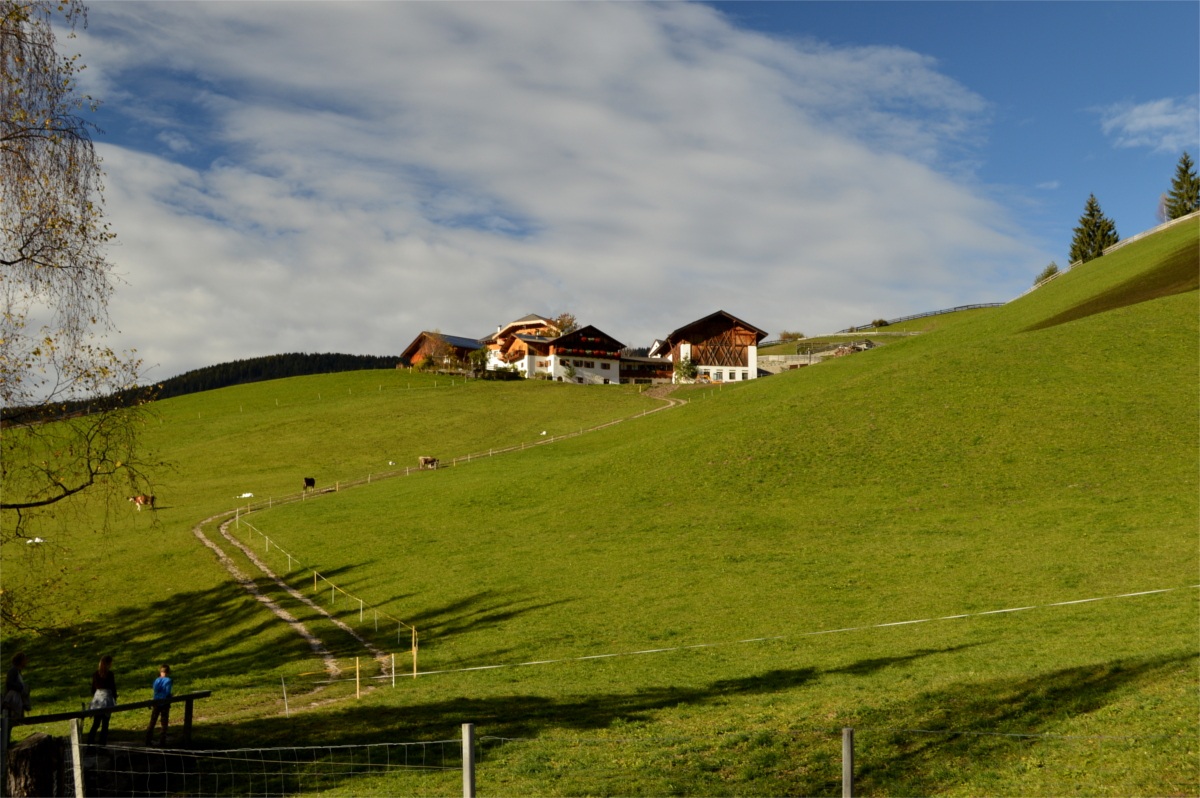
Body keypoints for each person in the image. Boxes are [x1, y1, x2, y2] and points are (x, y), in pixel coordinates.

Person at [87, 655, 117, 746]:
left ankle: (90, 744)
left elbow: (93, 688)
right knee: (105, 724)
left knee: (96, 723)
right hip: (106, 699)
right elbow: (112, 687)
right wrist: (114, 698)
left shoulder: (96, 674)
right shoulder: (110, 674)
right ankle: (102, 745)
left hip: (98, 699)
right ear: (108, 663)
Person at [145, 664, 172, 746]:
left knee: (153, 721)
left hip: (156, 702)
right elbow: (167, 692)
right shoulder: (168, 680)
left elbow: (155, 690)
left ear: (160, 672)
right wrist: (170, 696)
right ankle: (162, 740)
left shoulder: (156, 680)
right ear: (168, 672)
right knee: (164, 722)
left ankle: (148, 739)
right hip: (164, 702)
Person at [3, 652, 31, 723]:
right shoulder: (13, 671)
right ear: (20, 661)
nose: (26, 661)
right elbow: (9, 684)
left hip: (17, 699)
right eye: (25, 659)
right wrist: (21, 688)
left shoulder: (18, 671)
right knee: (9, 722)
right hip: (13, 700)